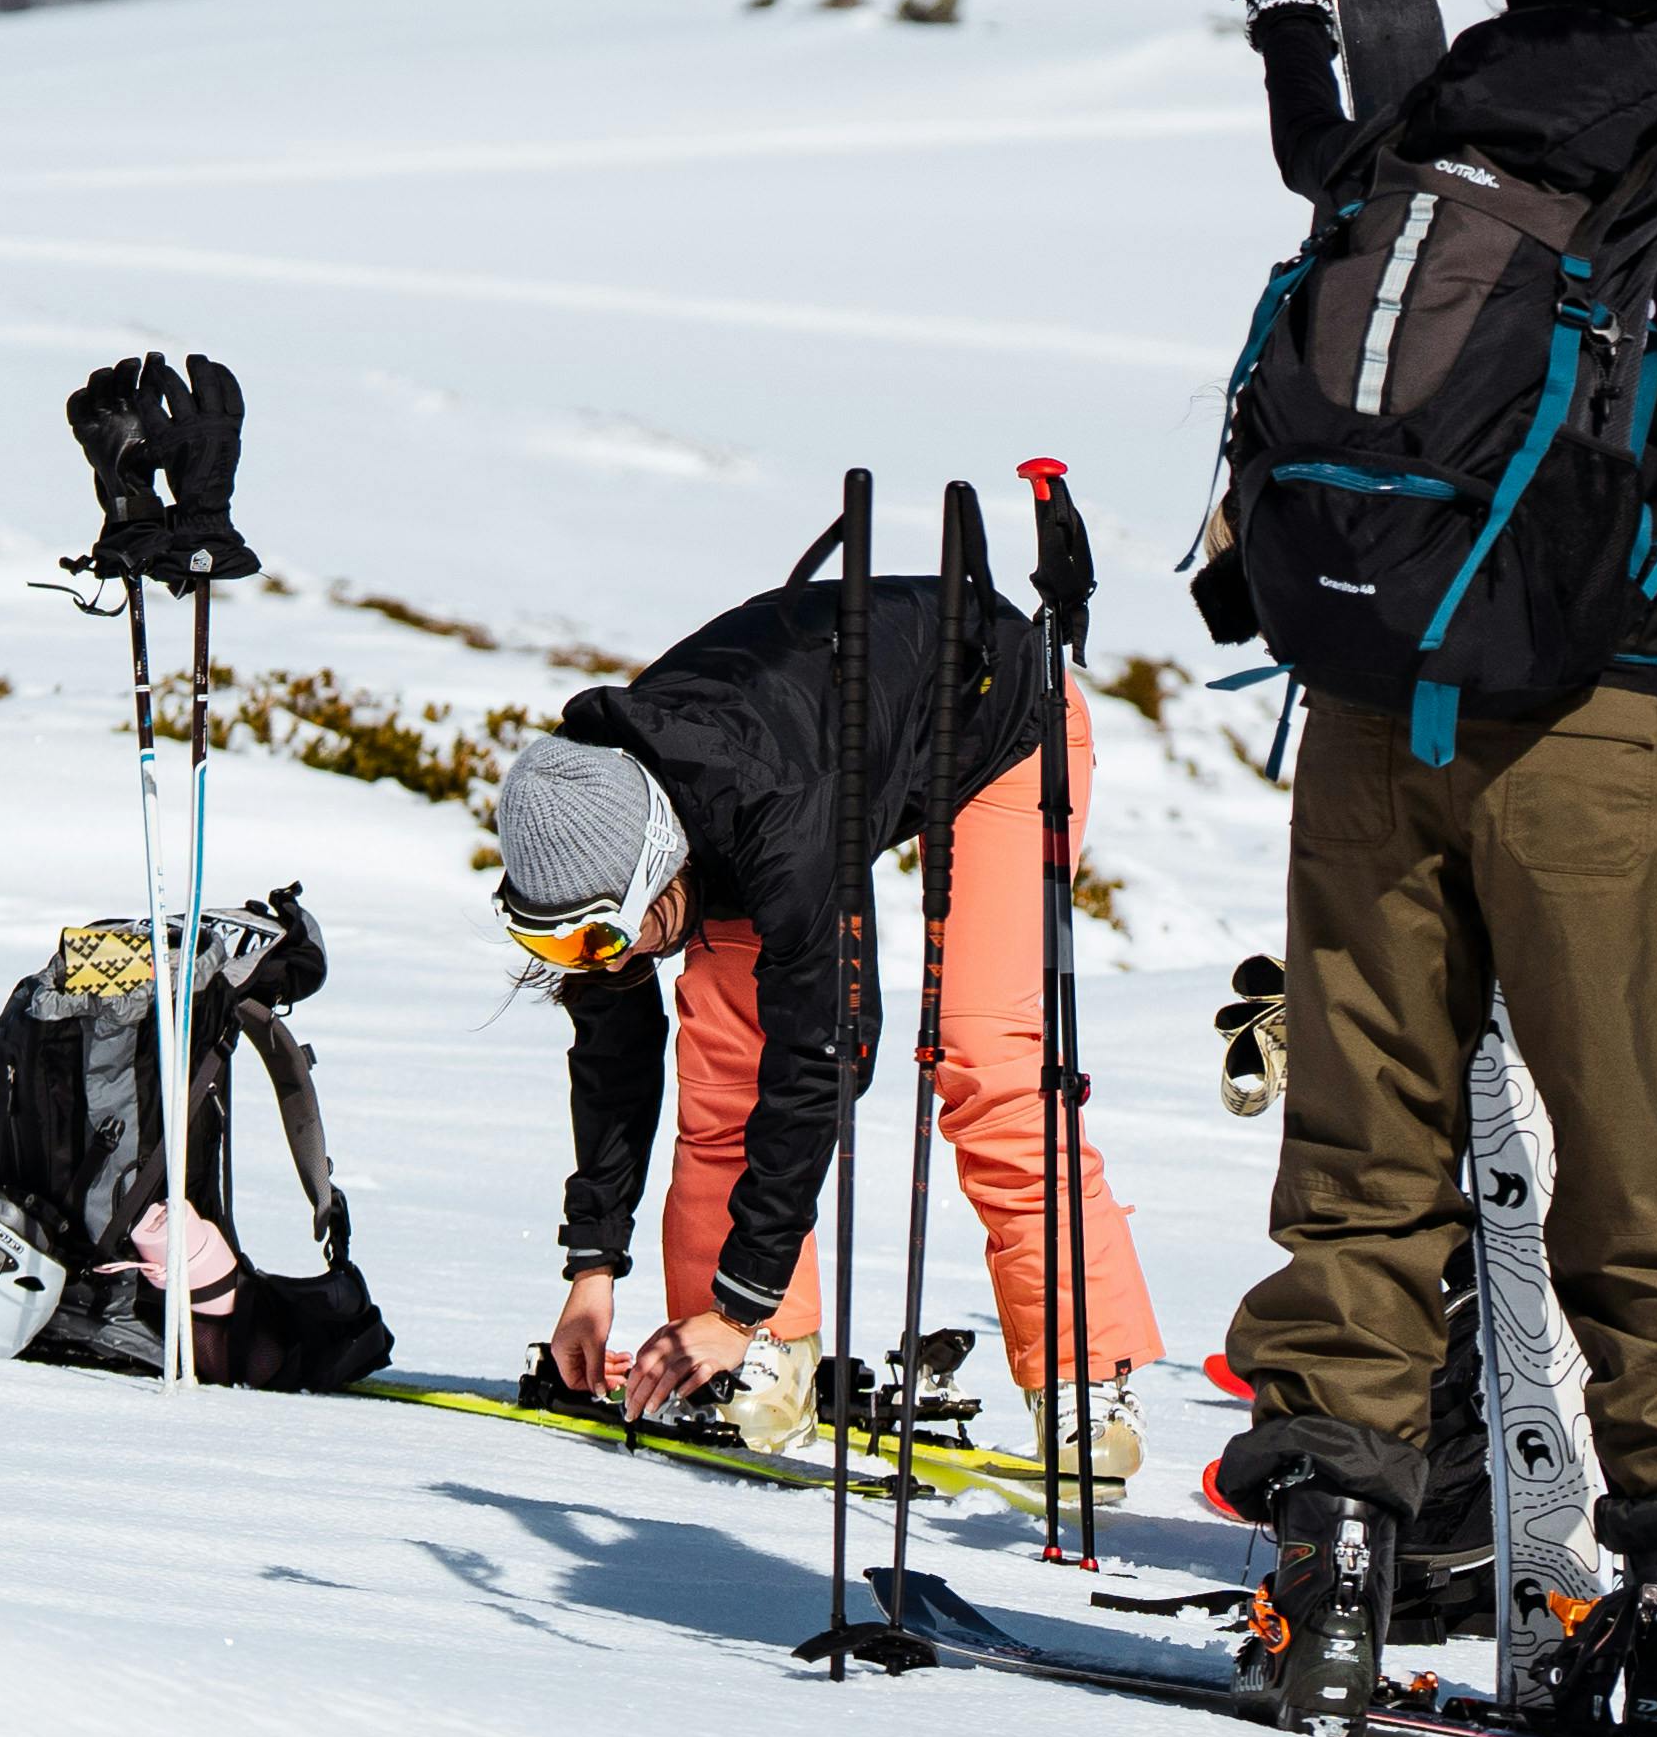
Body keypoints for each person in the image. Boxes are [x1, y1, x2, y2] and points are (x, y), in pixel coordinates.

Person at [1206, 0, 1657, 1737]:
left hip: (1366, 717)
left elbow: (1306, 152)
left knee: (1363, 1151)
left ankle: (1321, 1581)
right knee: (1646, 1167)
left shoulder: (1416, 143)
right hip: (1607, 734)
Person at [491, 553, 1158, 1471]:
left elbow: (827, 1056)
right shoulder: (585, 826)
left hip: (1000, 726)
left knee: (985, 1056)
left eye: (604, 941)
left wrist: (738, 1300)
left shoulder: (776, 815)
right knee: (723, 1066)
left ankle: (1085, 1381)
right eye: (560, 947)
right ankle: (763, 1360)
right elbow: (614, 1054)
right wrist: (592, 1268)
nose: (597, 964)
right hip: (810, 758)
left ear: (659, 871)